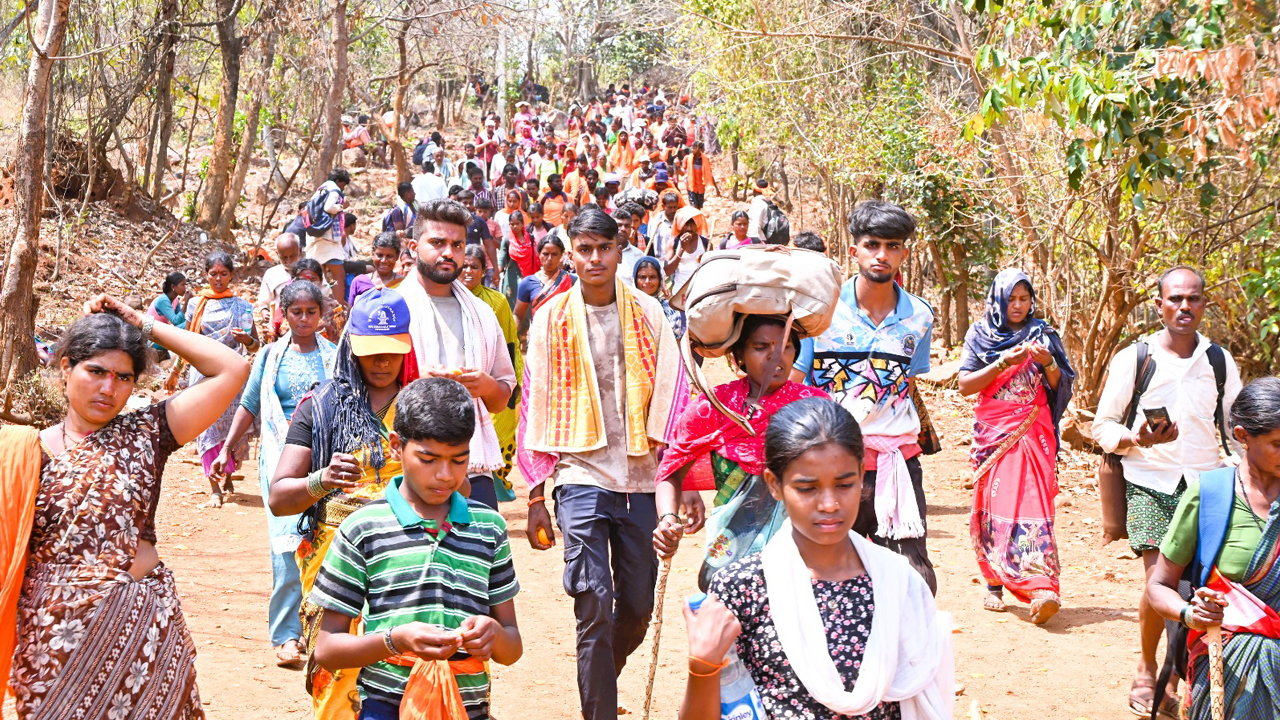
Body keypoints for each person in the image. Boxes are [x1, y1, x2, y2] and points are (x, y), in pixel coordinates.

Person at [3, 293, 251, 718]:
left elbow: (233, 368)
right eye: (96, 371)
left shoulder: (149, 432)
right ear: (66, 368)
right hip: (53, 642)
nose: (108, 388)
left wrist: (142, 323)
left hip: (141, 637)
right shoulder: (23, 453)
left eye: (123, 377)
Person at [680, 397, 954, 720]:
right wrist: (703, 666)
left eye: (844, 485)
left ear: (861, 475)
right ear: (775, 485)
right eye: (807, 488)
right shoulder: (742, 588)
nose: (829, 504)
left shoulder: (898, 581)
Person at [518, 207, 687, 720]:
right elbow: (534, 404)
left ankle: (598, 682)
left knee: (636, 609)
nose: (595, 258)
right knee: (592, 600)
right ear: (571, 254)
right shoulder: (550, 318)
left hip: (641, 477)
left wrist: (681, 486)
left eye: (604, 248)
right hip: (579, 476)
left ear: (620, 250)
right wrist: (536, 494)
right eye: (584, 249)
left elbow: (674, 397)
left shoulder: (650, 313)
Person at [310, 378, 523, 720]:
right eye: (428, 459)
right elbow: (328, 648)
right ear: (396, 446)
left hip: (468, 709)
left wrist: (494, 635)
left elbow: (512, 648)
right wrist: (395, 640)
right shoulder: (363, 528)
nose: (445, 475)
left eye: (459, 460)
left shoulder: (488, 528)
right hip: (385, 709)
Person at [1092, 265, 1242, 716]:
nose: (1184, 306)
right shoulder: (1134, 358)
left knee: (1195, 586)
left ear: (1204, 304)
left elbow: (1237, 428)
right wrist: (1138, 438)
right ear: (1159, 306)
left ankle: (1173, 678)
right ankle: (1146, 668)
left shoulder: (1219, 361)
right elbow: (1103, 426)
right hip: (1148, 482)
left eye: (1193, 298)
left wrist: (1245, 469)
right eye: (1175, 299)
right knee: (1159, 579)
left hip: (1205, 485)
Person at [267, 288, 411, 719]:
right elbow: (279, 497)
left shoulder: (420, 407)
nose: (382, 362)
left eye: (392, 351)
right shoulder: (321, 406)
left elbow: (456, 485)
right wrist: (322, 479)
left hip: (409, 557)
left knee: (406, 674)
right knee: (338, 678)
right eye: (371, 352)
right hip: (336, 560)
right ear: (351, 348)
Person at [790, 201, 938, 593]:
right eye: (872, 244)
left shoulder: (920, 316)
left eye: (892, 246)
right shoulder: (820, 311)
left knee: (913, 580)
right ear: (854, 250)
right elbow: (795, 382)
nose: (881, 255)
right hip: (830, 460)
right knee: (829, 577)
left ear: (905, 253)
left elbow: (907, 383)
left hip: (896, 463)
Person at [213, 280, 337, 666]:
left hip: (326, 462)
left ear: (321, 315)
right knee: (286, 548)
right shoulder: (269, 356)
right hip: (281, 462)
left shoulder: (335, 357)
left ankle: (323, 632)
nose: (304, 319)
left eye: (311, 312)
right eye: (296, 312)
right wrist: (227, 447)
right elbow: (250, 403)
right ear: (283, 314)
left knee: (326, 543)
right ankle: (287, 635)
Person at [1147, 377, 1280, 720]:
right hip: (1227, 670)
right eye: (1277, 444)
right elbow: (1159, 585)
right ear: (1242, 436)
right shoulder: (1210, 495)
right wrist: (1190, 614)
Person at [654, 315, 829, 576]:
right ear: (739, 356)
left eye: (785, 347)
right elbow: (671, 470)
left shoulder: (817, 407)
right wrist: (668, 519)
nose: (775, 356)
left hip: (803, 553)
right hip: (731, 549)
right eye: (761, 347)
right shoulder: (714, 407)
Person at [958, 270, 1075, 623]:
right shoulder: (980, 335)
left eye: (1024, 299)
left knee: (1033, 504)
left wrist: (1047, 362)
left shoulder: (1043, 334)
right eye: (1011, 299)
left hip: (1034, 431)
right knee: (993, 504)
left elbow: (1060, 383)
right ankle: (994, 581)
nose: (1018, 306)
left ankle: (1041, 587)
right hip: (995, 432)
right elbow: (965, 385)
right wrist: (1002, 362)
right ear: (998, 300)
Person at [397, 198, 518, 510]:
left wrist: (485, 385)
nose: (449, 253)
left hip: (472, 466)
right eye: (437, 243)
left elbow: (501, 398)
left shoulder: (482, 314)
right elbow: (361, 392)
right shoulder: (388, 309)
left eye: (457, 245)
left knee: (481, 542)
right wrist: (416, 382)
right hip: (401, 468)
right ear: (413, 247)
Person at [164, 251, 259, 506]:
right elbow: (187, 342)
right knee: (207, 428)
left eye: (223, 274)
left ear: (231, 275)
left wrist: (246, 339)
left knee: (230, 428)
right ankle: (214, 488)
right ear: (206, 275)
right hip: (204, 375)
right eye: (213, 274)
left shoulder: (242, 306)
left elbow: (255, 346)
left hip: (233, 376)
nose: (218, 279)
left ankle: (227, 473)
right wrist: (175, 372)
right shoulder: (196, 304)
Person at [462, 245, 525, 502]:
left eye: (474, 267)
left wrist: (511, 383)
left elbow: (509, 343)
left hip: (492, 383)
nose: (468, 271)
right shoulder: (446, 299)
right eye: (464, 266)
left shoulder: (496, 302)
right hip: (460, 381)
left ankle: (495, 488)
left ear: (483, 271)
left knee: (498, 434)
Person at [513, 234, 576, 344]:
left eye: (554, 254)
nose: (549, 259)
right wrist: (510, 335)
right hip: (538, 340)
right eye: (545, 254)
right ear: (539, 254)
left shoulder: (572, 280)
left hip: (566, 339)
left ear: (561, 255)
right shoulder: (528, 283)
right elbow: (518, 315)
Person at [305, 169, 352, 307]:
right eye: (343, 185)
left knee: (320, 276)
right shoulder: (334, 190)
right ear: (338, 181)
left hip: (316, 237)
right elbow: (329, 207)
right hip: (327, 240)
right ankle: (338, 309)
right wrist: (343, 206)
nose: (342, 188)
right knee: (339, 275)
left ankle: (320, 306)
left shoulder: (321, 190)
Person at [257, 234, 304, 342]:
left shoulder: (310, 271)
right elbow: (264, 302)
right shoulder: (272, 274)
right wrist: (264, 311)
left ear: (300, 251)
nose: (288, 260)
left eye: (292, 256)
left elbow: (324, 294)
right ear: (277, 254)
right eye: (284, 257)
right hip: (280, 328)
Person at [631, 257, 685, 339]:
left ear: (660, 280)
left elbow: (676, 342)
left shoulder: (669, 309)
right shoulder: (628, 307)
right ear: (635, 279)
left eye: (653, 277)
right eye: (642, 277)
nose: (647, 281)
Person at [347, 232, 404, 306]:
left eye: (389, 256)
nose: (384, 260)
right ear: (373, 254)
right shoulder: (359, 282)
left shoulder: (403, 283)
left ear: (397, 256)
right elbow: (352, 311)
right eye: (380, 255)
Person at [663, 205, 709, 294]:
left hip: (700, 291)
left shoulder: (705, 243)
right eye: (686, 225)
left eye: (692, 224)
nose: (689, 228)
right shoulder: (673, 243)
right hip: (680, 292)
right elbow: (667, 271)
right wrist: (681, 249)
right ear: (680, 225)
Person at [458, 189, 499, 277]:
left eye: (471, 203)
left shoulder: (479, 221)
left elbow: (489, 246)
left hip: (474, 264)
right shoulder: (452, 221)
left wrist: (496, 268)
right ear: (458, 203)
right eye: (465, 203)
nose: (468, 206)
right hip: (457, 263)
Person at [148, 271, 190, 358]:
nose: (185, 288)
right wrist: (186, 302)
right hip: (151, 339)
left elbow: (180, 322)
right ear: (173, 286)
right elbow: (175, 321)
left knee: (191, 322)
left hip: (160, 335)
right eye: (182, 285)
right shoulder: (163, 300)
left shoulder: (175, 300)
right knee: (190, 323)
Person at [613, 207, 646, 285]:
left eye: (627, 226)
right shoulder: (602, 252)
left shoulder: (639, 255)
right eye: (619, 225)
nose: (623, 229)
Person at [681, 140, 719, 208]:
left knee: (699, 207)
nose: (692, 150)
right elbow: (682, 172)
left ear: (699, 149)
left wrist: (716, 188)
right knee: (693, 206)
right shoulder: (687, 158)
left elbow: (709, 174)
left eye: (694, 148)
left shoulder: (705, 159)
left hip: (701, 187)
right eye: (692, 148)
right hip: (691, 186)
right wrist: (678, 167)